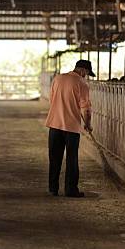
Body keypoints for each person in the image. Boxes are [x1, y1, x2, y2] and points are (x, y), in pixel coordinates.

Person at [44, 60, 94, 198]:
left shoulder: (58, 78)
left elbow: (51, 100)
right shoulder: (82, 83)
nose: (86, 76)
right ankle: (70, 190)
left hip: (54, 124)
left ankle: (53, 188)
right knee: (72, 159)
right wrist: (88, 124)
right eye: (87, 73)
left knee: (54, 158)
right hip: (71, 127)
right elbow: (86, 110)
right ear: (83, 70)